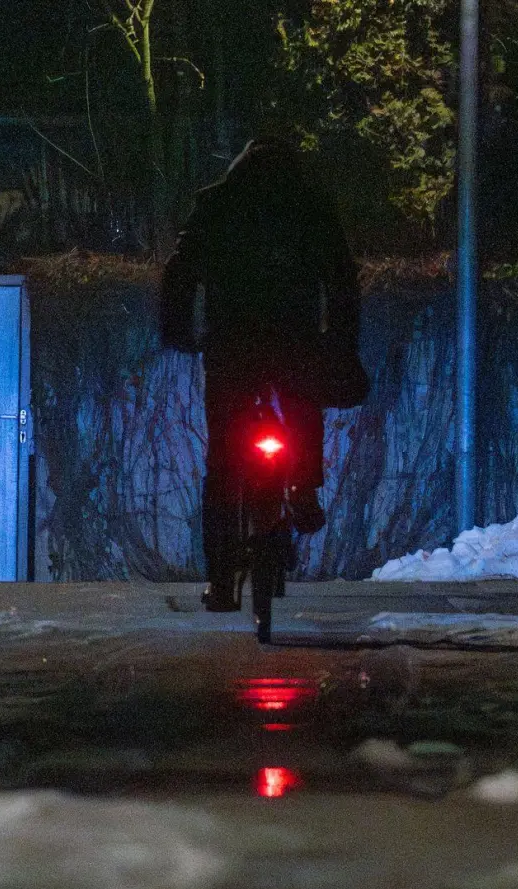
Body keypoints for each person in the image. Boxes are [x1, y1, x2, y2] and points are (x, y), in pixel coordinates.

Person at [160, 137, 365, 611]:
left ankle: (221, 581)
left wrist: (179, 331)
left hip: (231, 344)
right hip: (295, 341)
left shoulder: (217, 203)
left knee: (223, 463)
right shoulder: (311, 207)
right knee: (302, 406)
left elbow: (180, 270)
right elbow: (342, 281)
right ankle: (305, 485)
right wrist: (340, 343)